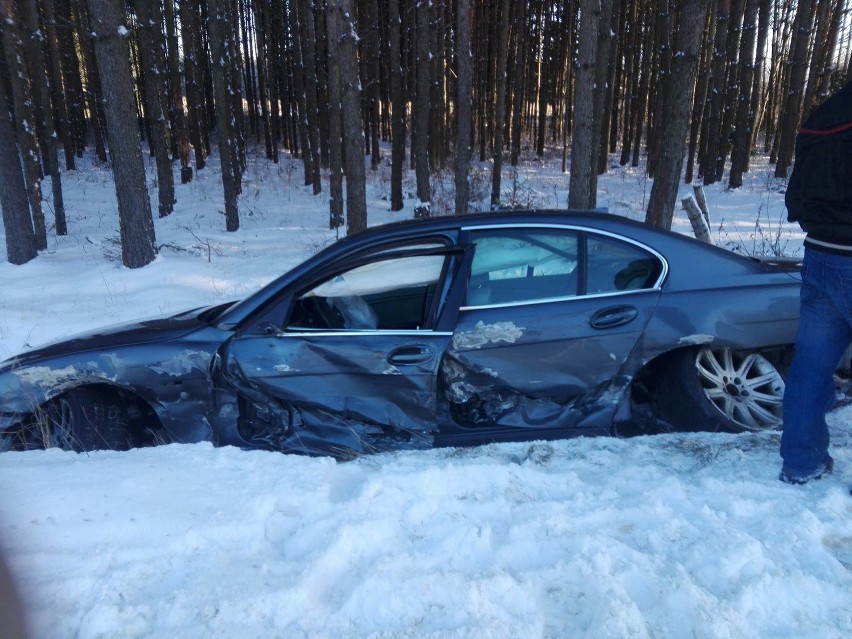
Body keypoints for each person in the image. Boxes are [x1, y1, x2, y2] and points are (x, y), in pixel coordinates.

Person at [781, 81, 852, 486]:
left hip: (821, 255)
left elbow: (798, 194)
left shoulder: (823, 114)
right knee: (810, 368)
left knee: (810, 367)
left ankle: (801, 463)